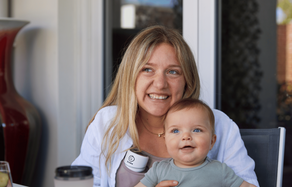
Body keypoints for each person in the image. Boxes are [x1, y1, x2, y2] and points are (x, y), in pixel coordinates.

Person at [72, 25, 259, 187]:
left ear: (188, 80)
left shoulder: (220, 125)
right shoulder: (107, 123)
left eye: (172, 72)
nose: (160, 83)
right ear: (131, 76)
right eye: (147, 69)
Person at [135, 98, 254, 187]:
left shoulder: (220, 170)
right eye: (176, 130)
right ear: (165, 141)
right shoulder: (158, 170)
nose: (186, 136)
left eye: (197, 130)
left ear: (212, 142)